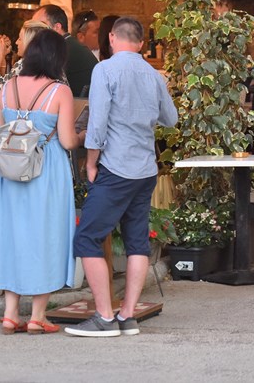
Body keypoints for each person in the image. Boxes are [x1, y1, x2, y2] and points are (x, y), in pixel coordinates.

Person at [66, 17, 177, 338]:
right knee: (137, 242)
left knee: (86, 238)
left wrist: (90, 162)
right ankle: (127, 316)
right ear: (141, 43)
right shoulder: (153, 74)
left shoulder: (105, 70)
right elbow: (171, 118)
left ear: (112, 38)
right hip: (145, 169)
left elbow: (97, 123)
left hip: (116, 168)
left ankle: (104, 316)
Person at [0, 28, 81, 335]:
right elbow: (67, 140)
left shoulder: (6, 87)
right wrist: (84, 135)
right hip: (47, 170)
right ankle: (38, 316)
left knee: (13, 236)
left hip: (11, 171)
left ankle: (10, 313)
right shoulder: (60, 91)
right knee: (46, 236)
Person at [33, 4, 97, 97]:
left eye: (39, 26)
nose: (33, 31)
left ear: (57, 27)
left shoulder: (59, 50)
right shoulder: (69, 44)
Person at [0, 19, 49, 94]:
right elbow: (6, 83)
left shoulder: (26, 64)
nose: (16, 42)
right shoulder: (51, 61)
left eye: (20, 38)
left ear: (29, 42)